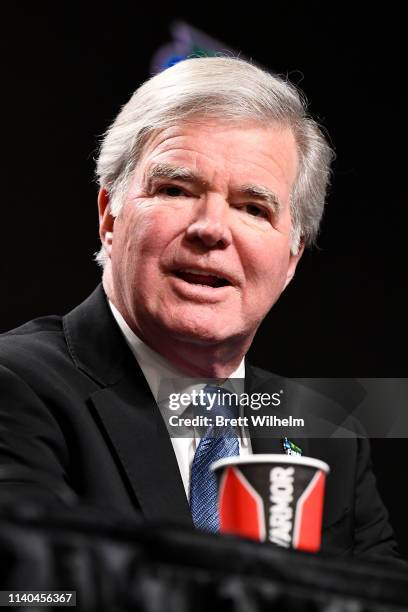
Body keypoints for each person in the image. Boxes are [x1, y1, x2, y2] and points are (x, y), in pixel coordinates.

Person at [0, 57, 400, 560]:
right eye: (176, 190)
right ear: (109, 216)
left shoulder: (329, 432)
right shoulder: (16, 386)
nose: (211, 228)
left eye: (253, 208)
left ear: (293, 255)